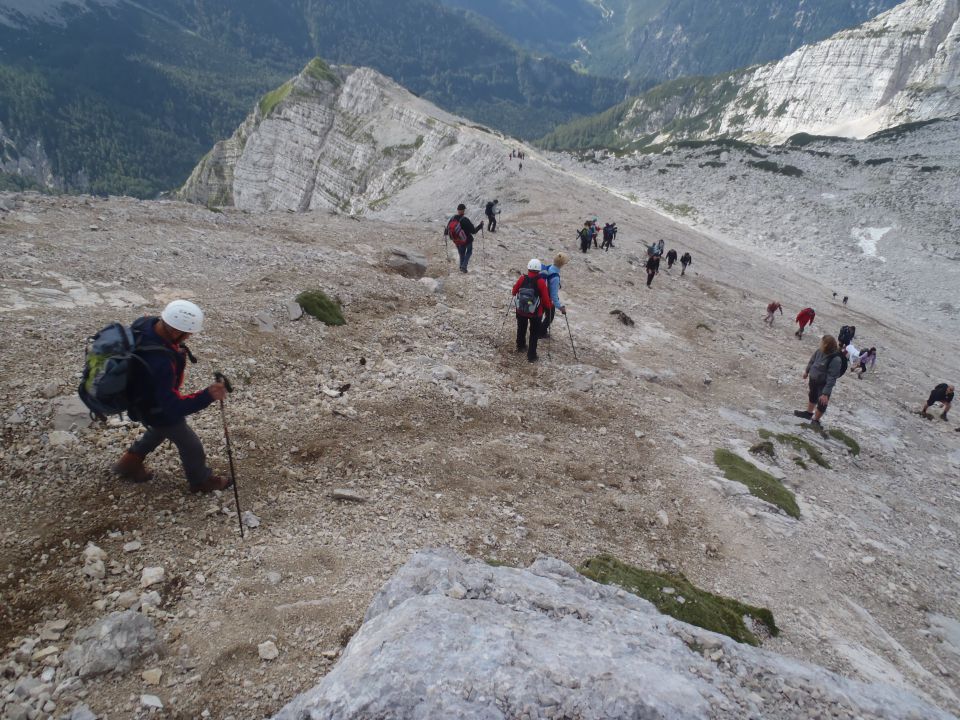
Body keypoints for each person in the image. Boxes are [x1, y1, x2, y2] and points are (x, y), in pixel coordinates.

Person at [112, 300, 230, 492]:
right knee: (190, 444)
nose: (189, 337)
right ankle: (201, 481)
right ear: (176, 331)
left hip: (138, 396)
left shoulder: (146, 324)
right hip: (152, 405)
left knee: (159, 430)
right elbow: (172, 407)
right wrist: (207, 395)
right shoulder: (160, 363)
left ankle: (129, 463)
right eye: (188, 333)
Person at [795, 335, 845, 428]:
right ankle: (809, 413)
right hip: (813, 379)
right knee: (812, 395)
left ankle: (816, 420)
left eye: (822, 343)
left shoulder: (835, 359)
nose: (820, 344)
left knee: (822, 402)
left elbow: (832, 377)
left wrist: (826, 393)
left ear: (826, 345)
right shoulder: (819, 351)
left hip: (823, 384)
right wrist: (807, 371)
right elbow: (812, 361)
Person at [512, 259, 552, 363]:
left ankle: (520, 346)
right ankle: (531, 355)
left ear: (528, 267)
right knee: (534, 333)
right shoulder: (541, 282)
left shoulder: (522, 278)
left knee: (521, 328)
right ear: (539, 270)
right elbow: (546, 300)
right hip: (536, 313)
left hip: (521, 310)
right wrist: (548, 309)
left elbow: (514, 292)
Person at [538, 253, 568, 338]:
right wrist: (560, 307)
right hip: (548, 299)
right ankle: (541, 333)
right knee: (550, 317)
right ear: (562, 264)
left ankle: (536, 329)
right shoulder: (555, 277)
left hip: (540, 296)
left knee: (540, 314)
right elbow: (554, 295)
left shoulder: (549, 267)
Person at [448, 203, 482, 273]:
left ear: (457, 210)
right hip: (467, 240)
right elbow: (473, 231)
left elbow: (447, 229)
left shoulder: (452, 218)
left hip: (457, 240)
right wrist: (480, 226)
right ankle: (464, 266)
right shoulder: (465, 219)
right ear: (463, 211)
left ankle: (461, 266)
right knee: (469, 252)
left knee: (461, 253)